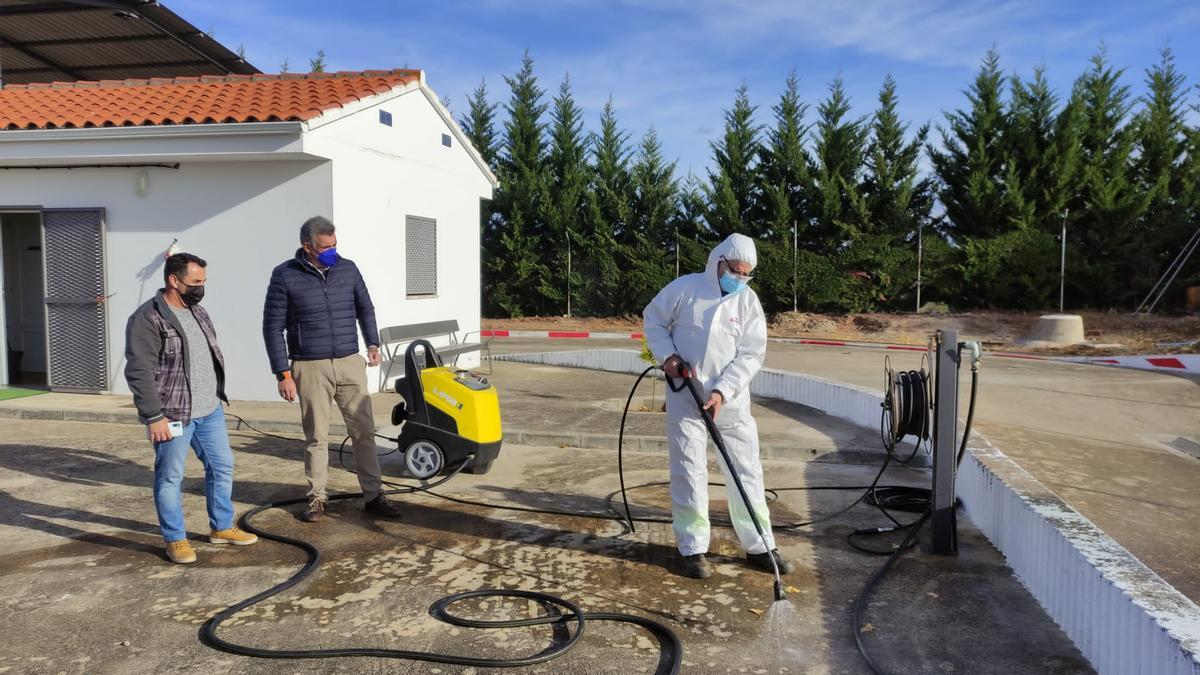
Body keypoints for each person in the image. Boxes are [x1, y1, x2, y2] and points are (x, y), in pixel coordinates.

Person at [642, 233, 794, 579]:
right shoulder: (685, 289)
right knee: (689, 469)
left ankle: (760, 545)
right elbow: (653, 320)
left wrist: (723, 392)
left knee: (746, 470)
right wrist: (668, 357)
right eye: (735, 271)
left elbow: (753, 353)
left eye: (745, 275)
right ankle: (693, 548)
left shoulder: (748, 302)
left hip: (731, 403)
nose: (738, 279)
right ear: (718, 262)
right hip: (686, 395)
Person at [262, 216, 402, 522]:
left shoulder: (347, 269)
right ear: (307, 246)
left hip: (349, 362)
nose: (332, 251)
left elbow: (366, 307)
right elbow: (272, 328)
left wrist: (373, 344)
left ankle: (374, 495)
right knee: (316, 436)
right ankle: (316, 497)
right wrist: (282, 373)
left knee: (364, 432)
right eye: (326, 247)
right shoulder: (285, 275)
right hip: (309, 366)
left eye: (335, 245)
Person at [125, 252, 258, 564]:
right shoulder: (147, 318)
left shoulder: (198, 311)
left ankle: (222, 527)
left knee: (222, 466)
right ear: (174, 280)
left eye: (204, 281)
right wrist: (153, 416)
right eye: (196, 282)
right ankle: (176, 539)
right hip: (172, 414)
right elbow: (138, 371)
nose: (201, 287)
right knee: (171, 477)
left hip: (209, 409)